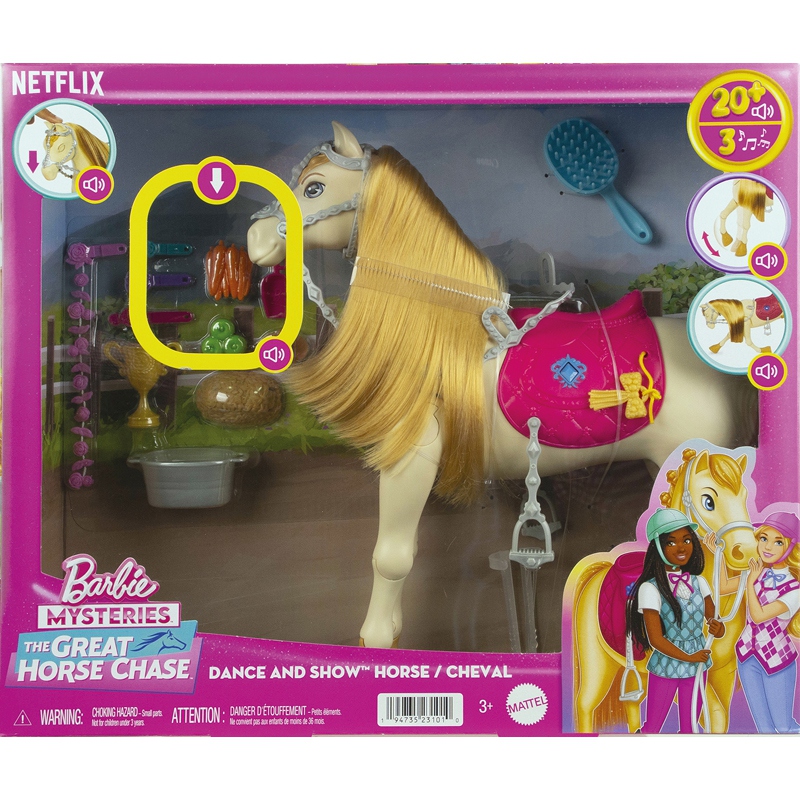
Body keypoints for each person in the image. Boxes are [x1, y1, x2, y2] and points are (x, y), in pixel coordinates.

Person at [626, 508, 725, 733]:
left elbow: (715, 624)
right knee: (653, 727)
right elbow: (656, 639)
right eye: (671, 542)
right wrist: (688, 657)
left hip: (698, 663)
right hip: (667, 665)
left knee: (691, 727)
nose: (681, 548)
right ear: (658, 547)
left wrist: (717, 628)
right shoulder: (650, 589)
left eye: (687, 540)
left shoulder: (699, 583)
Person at [711, 511, 800, 732]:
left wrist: (750, 583)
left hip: (777, 661)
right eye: (764, 538)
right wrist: (717, 554)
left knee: (784, 727)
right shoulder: (757, 572)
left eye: (778, 542)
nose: (768, 547)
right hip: (747, 657)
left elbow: (759, 616)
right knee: (763, 729)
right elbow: (723, 587)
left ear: (790, 547)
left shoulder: (794, 588)